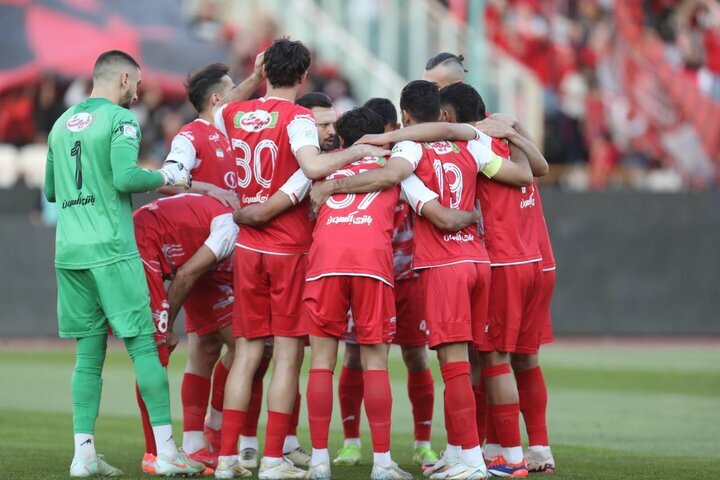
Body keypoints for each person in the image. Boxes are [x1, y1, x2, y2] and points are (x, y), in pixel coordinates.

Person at [311, 80, 534, 480]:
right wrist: (516, 137)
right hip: (479, 261)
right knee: (471, 362)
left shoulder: (411, 151)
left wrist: (334, 185)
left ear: (406, 117)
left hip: (444, 265)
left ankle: (472, 461)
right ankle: (458, 452)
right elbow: (523, 175)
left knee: (454, 366)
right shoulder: (470, 144)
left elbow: (390, 178)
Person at [212, 37, 388, 479]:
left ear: (264, 70)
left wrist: (252, 77)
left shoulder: (234, 113)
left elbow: (218, 111)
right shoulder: (298, 118)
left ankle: (227, 459)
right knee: (288, 356)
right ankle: (273, 460)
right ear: (304, 76)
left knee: (247, 353)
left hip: (247, 246)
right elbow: (313, 168)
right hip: (287, 248)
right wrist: (359, 150)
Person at [44, 50, 202, 477]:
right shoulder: (121, 120)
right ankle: (167, 452)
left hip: (70, 253)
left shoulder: (60, 123)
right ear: (125, 79)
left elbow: (52, 191)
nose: (138, 93)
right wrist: (166, 177)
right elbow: (125, 177)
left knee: (87, 357)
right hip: (112, 250)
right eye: (137, 84)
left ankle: (83, 456)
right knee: (145, 347)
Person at [333, 97, 440, 469]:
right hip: (365, 273)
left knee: (415, 356)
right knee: (354, 356)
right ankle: (351, 442)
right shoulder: (351, 166)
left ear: (395, 128)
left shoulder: (408, 161)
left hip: (407, 276)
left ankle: (423, 443)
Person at [132, 193, 240, 474]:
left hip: (146, 239)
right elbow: (185, 275)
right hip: (143, 244)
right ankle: (156, 453)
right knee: (154, 351)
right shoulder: (230, 226)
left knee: (240, 346)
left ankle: (179, 447)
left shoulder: (217, 214)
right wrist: (167, 327)